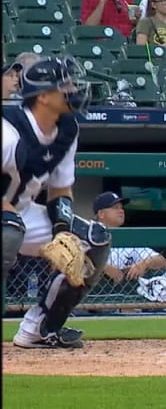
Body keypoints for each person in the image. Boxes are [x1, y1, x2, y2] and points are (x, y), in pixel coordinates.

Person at [5, 58, 111, 349]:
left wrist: (62, 231)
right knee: (8, 232)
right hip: (7, 217)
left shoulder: (67, 128)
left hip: (22, 212)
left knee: (93, 240)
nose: (74, 90)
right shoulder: (9, 130)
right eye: (65, 85)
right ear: (42, 96)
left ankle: (41, 327)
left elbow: (60, 189)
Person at [93, 192, 166, 283]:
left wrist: (143, 264)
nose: (121, 211)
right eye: (115, 208)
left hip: (126, 294)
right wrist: (104, 266)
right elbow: (79, 260)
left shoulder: (128, 239)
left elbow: (161, 261)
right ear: (101, 214)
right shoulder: (88, 236)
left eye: (121, 207)